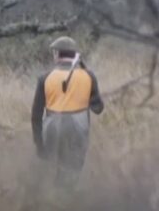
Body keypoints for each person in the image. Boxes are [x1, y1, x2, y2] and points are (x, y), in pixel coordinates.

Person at [31, 36, 104, 189]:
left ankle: (50, 201)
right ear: (75, 55)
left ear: (56, 54)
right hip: (77, 128)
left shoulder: (44, 78)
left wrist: (39, 145)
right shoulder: (88, 76)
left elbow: (36, 116)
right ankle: (67, 202)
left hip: (52, 128)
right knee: (72, 172)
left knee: (52, 172)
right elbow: (98, 108)